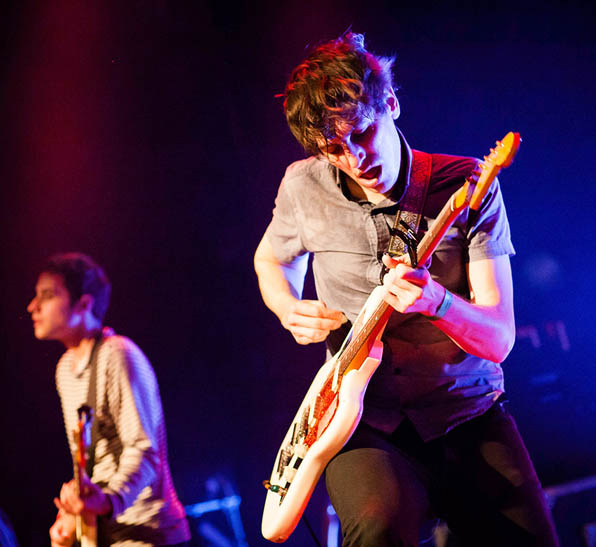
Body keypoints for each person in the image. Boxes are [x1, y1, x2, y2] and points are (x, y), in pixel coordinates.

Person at [254, 32, 558, 546]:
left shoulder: (466, 185)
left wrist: (436, 302)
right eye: (334, 150)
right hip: (361, 420)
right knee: (376, 526)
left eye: (362, 134)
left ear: (390, 102)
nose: (354, 159)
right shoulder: (301, 185)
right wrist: (287, 307)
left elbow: (499, 340)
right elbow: (271, 259)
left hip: (466, 411)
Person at [27, 252, 191, 546]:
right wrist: (73, 515)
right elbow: (89, 460)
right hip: (109, 530)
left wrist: (108, 502)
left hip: (146, 533)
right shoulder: (65, 369)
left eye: (48, 295)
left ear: (84, 304)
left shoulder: (118, 354)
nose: (33, 306)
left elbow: (144, 449)